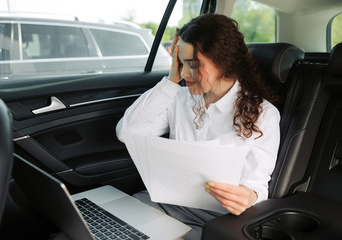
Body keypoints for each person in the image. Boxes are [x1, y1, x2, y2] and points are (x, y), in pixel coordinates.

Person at [116, 13, 280, 240]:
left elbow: (257, 187)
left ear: (225, 62)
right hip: (163, 204)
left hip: (217, 220)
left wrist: (248, 197)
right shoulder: (177, 96)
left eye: (192, 65)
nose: (184, 74)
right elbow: (128, 133)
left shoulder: (263, 115)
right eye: (180, 64)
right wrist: (170, 80)